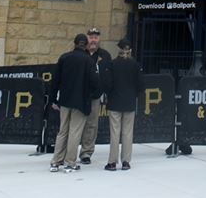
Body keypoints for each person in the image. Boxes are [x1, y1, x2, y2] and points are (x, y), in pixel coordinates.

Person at [49, 33, 101, 173]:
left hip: (65, 100)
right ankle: (70, 162)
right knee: (75, 132)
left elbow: (55, 81)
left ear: (75, 43)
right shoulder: (88, 60)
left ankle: (56, 161)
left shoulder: (64, 57)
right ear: (86, 45)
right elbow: (96, 82)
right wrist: (91, 94)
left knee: (62, 131)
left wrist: (53, 99)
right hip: (81, 101)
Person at [104, 39, 143, 171]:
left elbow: (107, 84)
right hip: (130, 102)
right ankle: (126, 161)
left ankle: (112, 162)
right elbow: (140, 85)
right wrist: (133, 95)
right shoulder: (136, 65)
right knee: (127, 133)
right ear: (130, 50)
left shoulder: (112, 64)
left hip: (115, 101)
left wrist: (110, 94)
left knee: (115, 133)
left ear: (119, 49)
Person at [79, 27, 113, 165]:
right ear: (87, 38)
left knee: (92, 125)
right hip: (79, 95)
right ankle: (68, 152)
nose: (93, 40)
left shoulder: (105, 55)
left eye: (96, 37)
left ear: (99, 39)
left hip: (95, 96)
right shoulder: (80, 53)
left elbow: (109, 76)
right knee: (76, 125)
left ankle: (86, 153)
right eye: (91, 37)